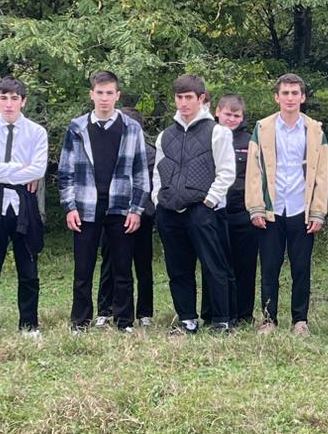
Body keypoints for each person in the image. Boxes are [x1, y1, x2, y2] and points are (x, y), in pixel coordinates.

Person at [57, 71, 150, 334]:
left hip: (121, 206)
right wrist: (69, 207)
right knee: (83, 268)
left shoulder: (131, 128)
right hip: (85, 206)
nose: (104, 98)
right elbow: (65, 172)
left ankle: (124, 321)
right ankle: (80, 321)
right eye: (100, 93)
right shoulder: (77, 128)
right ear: (92, 95)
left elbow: (141, 173)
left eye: (109, 93)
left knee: (122, 267)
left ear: (117, 95)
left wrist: (136, 209)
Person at [152, 74, 237, 333]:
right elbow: (158, 173)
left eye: (189, 97)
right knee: (178, 269)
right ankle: (187, 319)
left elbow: (226, 173)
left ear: (201, 99)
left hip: (202, 209)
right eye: (179, 97)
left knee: (213, 266)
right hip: (169, 212)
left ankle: (221, 320)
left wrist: (209, 201)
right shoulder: (165, 135)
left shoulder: (218, 132)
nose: (183, 103)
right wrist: (158, 200)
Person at [245, 73, 328, 335]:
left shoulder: (314, 130)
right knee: (269, 268)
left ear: (302, 97)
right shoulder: (263, 128)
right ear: (277, 97)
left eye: (295, 93)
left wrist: (318, 211)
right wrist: (255, 207)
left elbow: (322, 174)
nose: (290, 98)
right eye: (285, 93)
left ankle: (300, 320)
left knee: (301, 268)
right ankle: (268, 319)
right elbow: (253, 171)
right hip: (272, 208)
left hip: (301, 209)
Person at [0, 76, 48, 339]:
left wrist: (1, 171)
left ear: (23, 101)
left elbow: (37, 169)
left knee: (28, 270)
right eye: (3, 98)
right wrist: (18, 169)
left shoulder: (36, 132)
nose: (9, 104)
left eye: (14, 98)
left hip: (24, 203)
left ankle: (29, 324)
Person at [96, 106, 156, 327]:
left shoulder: (150, 153)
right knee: (109, 263)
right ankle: (105, 310)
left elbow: (148, 186)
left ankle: (144, 312)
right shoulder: (107, 148)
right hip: (112, 213)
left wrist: (138, 211)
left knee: (143, 264)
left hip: (141, 216)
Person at [203, 94, 258, 326]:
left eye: (236, 115)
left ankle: (243, 315)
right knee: (214, 264)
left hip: (242, 212)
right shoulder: (207, 136)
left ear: (242, 117)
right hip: (213, 210)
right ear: (217, 112)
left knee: (244, 265)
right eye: (227, 114)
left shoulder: (250, 141)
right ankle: (213, 314)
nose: (231, 119)